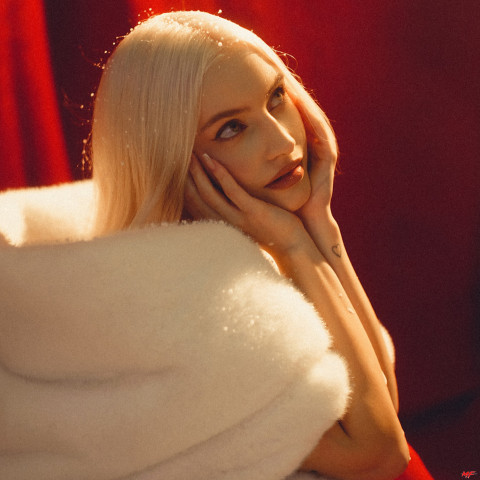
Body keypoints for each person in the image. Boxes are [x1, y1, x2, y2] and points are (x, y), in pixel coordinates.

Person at [0, 10, 418, 480]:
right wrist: (298, 245)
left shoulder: (244, 248)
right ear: (173, 158)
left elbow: (383, 399)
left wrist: (320, 225)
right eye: (231, 128)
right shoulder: (200, 305)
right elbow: (382, 456)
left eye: (276, 97)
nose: (283, 142)